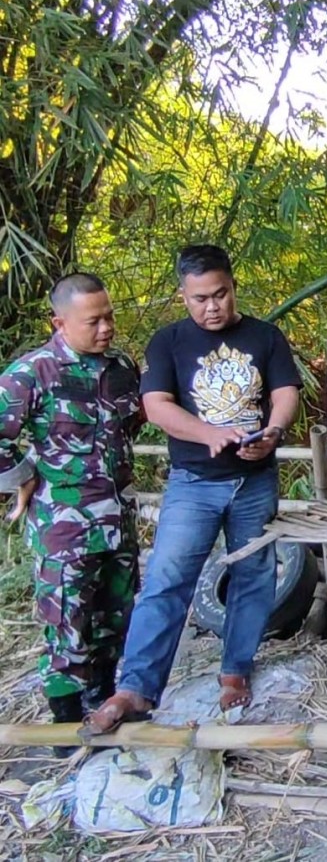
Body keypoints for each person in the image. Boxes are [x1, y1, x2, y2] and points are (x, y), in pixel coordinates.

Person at [83, 244, 301, 734]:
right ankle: (135, 688)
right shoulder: (168, 343)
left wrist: (273, 433)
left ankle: (235, 670)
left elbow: (284, 394)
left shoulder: (265, 336)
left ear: (233, 286)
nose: (212, 306)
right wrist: (209, 434)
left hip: (254, 480)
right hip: (193, 484)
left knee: (253, 575)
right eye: (200, 298)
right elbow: (156, 405)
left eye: (220, 294)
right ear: (183, 295)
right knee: (166, 581)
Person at [0, 273, 143, 753]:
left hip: (116, 521)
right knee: (68, 625)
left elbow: (134, 427)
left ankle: (103, 708)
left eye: (109, 317)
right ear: (59, 322)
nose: (106, 328)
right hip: (64, 526)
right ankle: (65, 728)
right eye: (93, 321)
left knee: (115, 619)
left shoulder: (122, 367)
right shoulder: (33, 373)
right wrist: (22, 476)